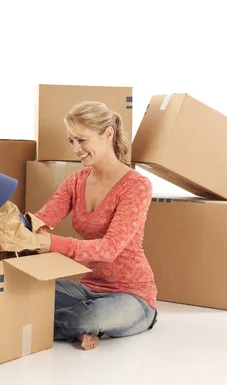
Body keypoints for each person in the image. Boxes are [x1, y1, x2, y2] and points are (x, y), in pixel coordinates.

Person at [33, 101, 158, 351]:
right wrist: (13, 227)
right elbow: (41, 219)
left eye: (82, 140)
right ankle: (76, 329)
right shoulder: (75, 182)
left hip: (132, 297)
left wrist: (52, 244)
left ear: (107, 134)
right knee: (25, 288)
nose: (75, 148)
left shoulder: (136, 186)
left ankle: (74, 325)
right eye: (71, 141)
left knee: (89, 317)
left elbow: (110, 249)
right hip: (88, 288)